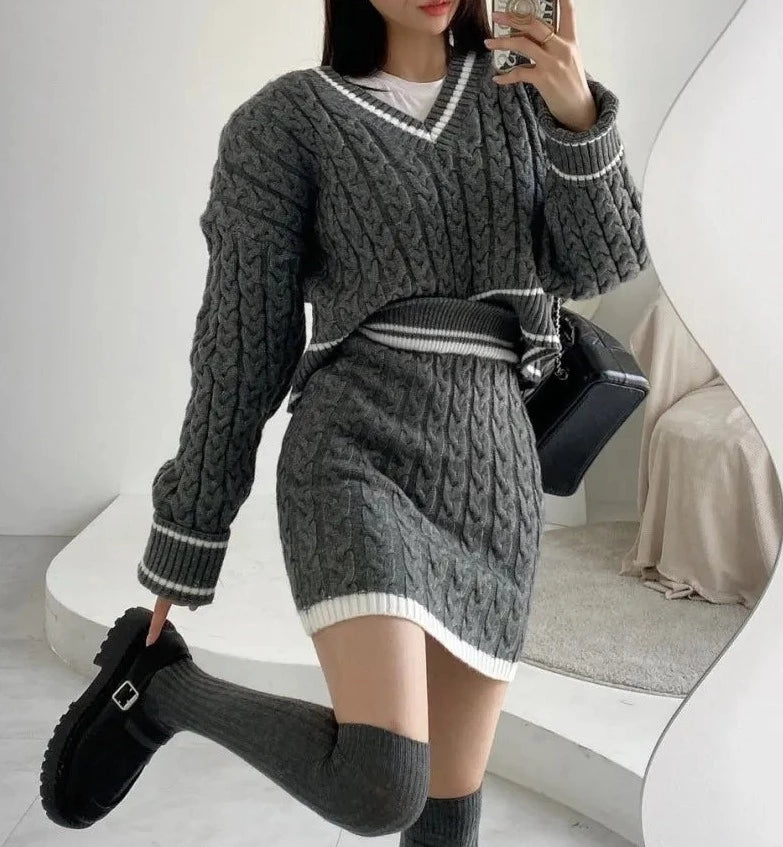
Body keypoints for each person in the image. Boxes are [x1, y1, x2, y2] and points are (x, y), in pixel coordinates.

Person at [40, 1, 651, 844]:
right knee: (378, 785)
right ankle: (161, 693)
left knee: (447, 813)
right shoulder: (285, 122)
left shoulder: (526, 96)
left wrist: (577, 115)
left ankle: (160, 694)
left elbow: (605, 262)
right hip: (356, 451)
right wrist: (189, 528)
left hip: (492, 477)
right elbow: (242, 344)